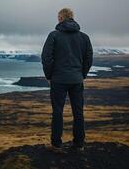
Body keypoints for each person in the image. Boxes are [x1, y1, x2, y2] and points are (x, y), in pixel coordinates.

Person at [41, 8, 93, 153]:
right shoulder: (84, 37)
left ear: (60, 18)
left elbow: (46, 58)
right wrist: (81, 75)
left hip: (58, 80)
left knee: (57, 111)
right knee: (78, 111)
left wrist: (49, 76)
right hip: (76, 79)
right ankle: (79, 144)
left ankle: (56, 144)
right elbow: (88, 59)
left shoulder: (54, 36)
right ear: (72, 18)